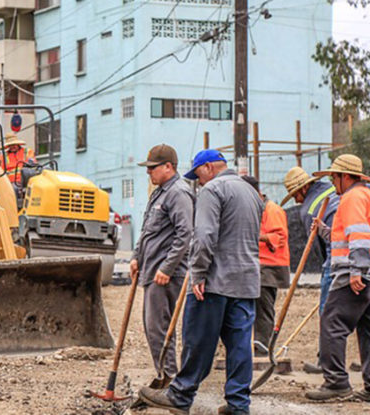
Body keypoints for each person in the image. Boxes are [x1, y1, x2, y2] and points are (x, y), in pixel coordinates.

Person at [139, 149, 263, 415]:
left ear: (208, 168)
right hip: (246, 282)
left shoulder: (213, 190)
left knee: (198, 340)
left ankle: (181, 395)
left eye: (198, 175)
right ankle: (239, 404)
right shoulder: (251, 193)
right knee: (239, 345)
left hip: (214, 281)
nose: (199, 181)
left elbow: (204, 236)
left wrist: (199, 273)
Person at [305, 154, 370, 403]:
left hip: (359, 273)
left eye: (334, 176)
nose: (332, 181)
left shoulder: (351, 198)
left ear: (346, 177)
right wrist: (325, 231)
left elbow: (359, 236)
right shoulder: (368, 197)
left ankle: (336, 382)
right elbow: (351, 237)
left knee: (332, 322)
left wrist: (357, 271)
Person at [130, 144, 194, 386]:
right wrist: (136, 256)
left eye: (153, 168)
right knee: (153, 327)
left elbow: (185, 234)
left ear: (168, 167)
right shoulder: (159, 192)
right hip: (152, 269)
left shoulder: (178, 193)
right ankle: (164, 374)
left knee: (159, 327)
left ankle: (169, 377)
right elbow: (148, 230)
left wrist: (167, 268)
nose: (149, 173)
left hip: (166, 274)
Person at [280, 166, 339, 373]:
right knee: (365, 312)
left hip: (335, 259)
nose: (296, 201)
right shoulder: (332, 189)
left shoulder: (308, 210)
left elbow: (319, 250)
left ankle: (326, 362)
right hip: (360, 254)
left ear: (303, 189)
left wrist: (330, 277)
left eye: (295, 195)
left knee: (327, 311)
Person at [243, 175, 290, 357]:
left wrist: (252, 236)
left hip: (270, 266)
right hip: (259, 264)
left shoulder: (272, 210)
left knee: (263, 306)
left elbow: (278, 237)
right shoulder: (256, 209)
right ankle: (257, 343)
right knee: (256, 305)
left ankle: (262, 346)